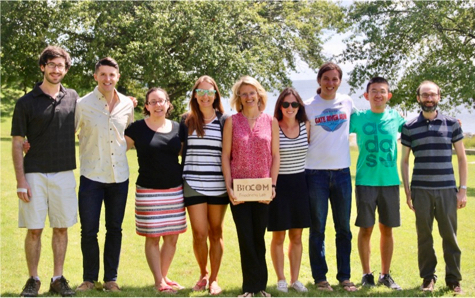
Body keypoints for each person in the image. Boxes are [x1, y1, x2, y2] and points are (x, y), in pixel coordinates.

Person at [11, 45, 77, 297]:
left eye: (60, 65)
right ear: (43, 67)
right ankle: (33, 280)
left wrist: (130, 101)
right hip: (34, 173)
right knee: (35, 229)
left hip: (63, 173)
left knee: (61, 227)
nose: (56, 69)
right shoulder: (25, 102)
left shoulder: (72, 96)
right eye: (51, 64)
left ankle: (58, 278)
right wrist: (20, 181)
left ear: (66, 69)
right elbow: (18, 143)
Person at [400, 80, 468, 294]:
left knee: (450, 235)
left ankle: (454, 279)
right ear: (418, 98)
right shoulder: (409, 127)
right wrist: (407, 190)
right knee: (424, 236)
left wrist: (463, 189)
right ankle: (428, 278)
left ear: (439, 97)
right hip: (421, 191)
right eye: (425, 95)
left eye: (432, 95)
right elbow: (404, 161)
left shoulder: (452, 124)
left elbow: (462, 158)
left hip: (447, 190)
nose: (429, 99)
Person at [75, 57, 134, 292]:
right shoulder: (82, 104)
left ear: (118, 77)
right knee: (89, 230)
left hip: (119, 177)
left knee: (115, 229)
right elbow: (66, 132)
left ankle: (111, 279)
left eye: (112, 75)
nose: (107, 79)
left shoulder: (128, 105)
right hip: (91, 176)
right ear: (95, 77)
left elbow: (129, 135)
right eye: (103, 74)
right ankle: (89, 279)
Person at [222, 76, 280, 297]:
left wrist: (273, 185)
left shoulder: (271, 121)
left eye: (251, 93)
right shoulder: (231, 121)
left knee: (259, 237)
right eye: (243, 93)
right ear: (239, 97)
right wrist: (229, 187)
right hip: (240, 190)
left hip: (263, 188)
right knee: (245, 237)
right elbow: (225, 156)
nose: (248, 97)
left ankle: (261, 287)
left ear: (259, 95)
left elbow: (276, 156)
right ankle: (249, 288)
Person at [125, 87, 187, 293]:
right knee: (153, 237)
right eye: (153, 101)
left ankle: (164, 276)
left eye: (161, 101)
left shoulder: (179, 128)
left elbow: (186, 153)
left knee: (172, 236)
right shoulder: (136, 128)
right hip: (148, 191)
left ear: (168, 104)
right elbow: (114, 147)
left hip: (174, 190)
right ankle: (158, 281)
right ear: (146, 106)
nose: (158, 105)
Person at [304, 62, 357, 292]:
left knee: (343, 228)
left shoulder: (347, 102)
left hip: (343, 173)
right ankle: (320, 278)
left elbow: (363, 122)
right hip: (314, 174)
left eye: (335, 79)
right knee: (318, 229)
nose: (330, 83)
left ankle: (345, 277)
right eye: (326, 78)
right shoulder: (308, 106)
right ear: (319, 80)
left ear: (340, 81)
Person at [350, 77, 405, 290]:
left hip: (390, 182)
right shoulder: (358, 118)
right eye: (374, 91)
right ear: (366, 96)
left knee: (387, 229)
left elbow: (418, 128)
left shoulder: (397, 118)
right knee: (366, 228)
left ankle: (385, 274)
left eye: (382, 91)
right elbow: (333, 130)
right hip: (365, 181)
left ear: (388, 96)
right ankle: (366, 274)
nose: (378, 95)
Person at [179, 76, 228, 295]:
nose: (205, 96)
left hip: (219, 185)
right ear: (195, 95)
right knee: (199, 233)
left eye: (210, 92)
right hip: (193, 183)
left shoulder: (225, 121)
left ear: (216, 95)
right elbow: (177, 149)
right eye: (201, 92)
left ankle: (215, 279)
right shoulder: (186, 121)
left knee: (215, 232)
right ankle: (203, 273)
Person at [269, 88, 311, 293]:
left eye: (294, 104)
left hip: (300, 184)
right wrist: (271, 185)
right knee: (278, 236)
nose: (290, 108)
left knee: (297, 236)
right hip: (280, 184)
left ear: (299, 106)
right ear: (279, 107)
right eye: (285, 104)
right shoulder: (273, 125)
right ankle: (281, 279)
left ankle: (295, 280)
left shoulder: (306, 126)